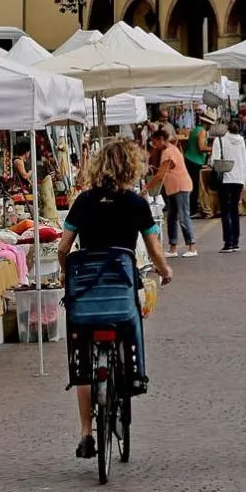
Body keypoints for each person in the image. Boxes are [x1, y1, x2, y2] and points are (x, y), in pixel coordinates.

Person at [58, 137, 176, 460]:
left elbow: (63, 248)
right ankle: (135, 374)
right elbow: (154, 249)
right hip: (120, 288)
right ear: (131, 167)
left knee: (82, 359)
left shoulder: (82, 202)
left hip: (85, 293)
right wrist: (165, 272)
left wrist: (66, 274)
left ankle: (85, 432)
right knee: (132, 320)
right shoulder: (137, 204)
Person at [148, 126, 198, 258]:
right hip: (173, 189)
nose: (154, 145)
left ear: (161, 139)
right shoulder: (170, 150)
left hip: (180, 187)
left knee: (183, 216)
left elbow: (161, 175)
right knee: (171, 217)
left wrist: (147, 188)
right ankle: (173, 247)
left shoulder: (169, 152)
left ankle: (192, 246)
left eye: (155, 142)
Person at [209, 117, 246, 252]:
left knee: (225, 210)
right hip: (238, 178)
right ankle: (236, 241)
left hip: (225, 178)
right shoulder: (241, 141)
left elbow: (214, 161)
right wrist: (244, 179)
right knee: (234, 210)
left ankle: (228, 242)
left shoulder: (219, 140)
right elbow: (244, 161)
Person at [184, 118, 213, 217]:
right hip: (195, 160)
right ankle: (193, 210)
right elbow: (201, 147)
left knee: (192, 185)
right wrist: (213, 148)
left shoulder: (195, 129)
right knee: (195, 186)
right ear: (207, 123)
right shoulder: (202, 131)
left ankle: (191, 209)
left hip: (190, 158)